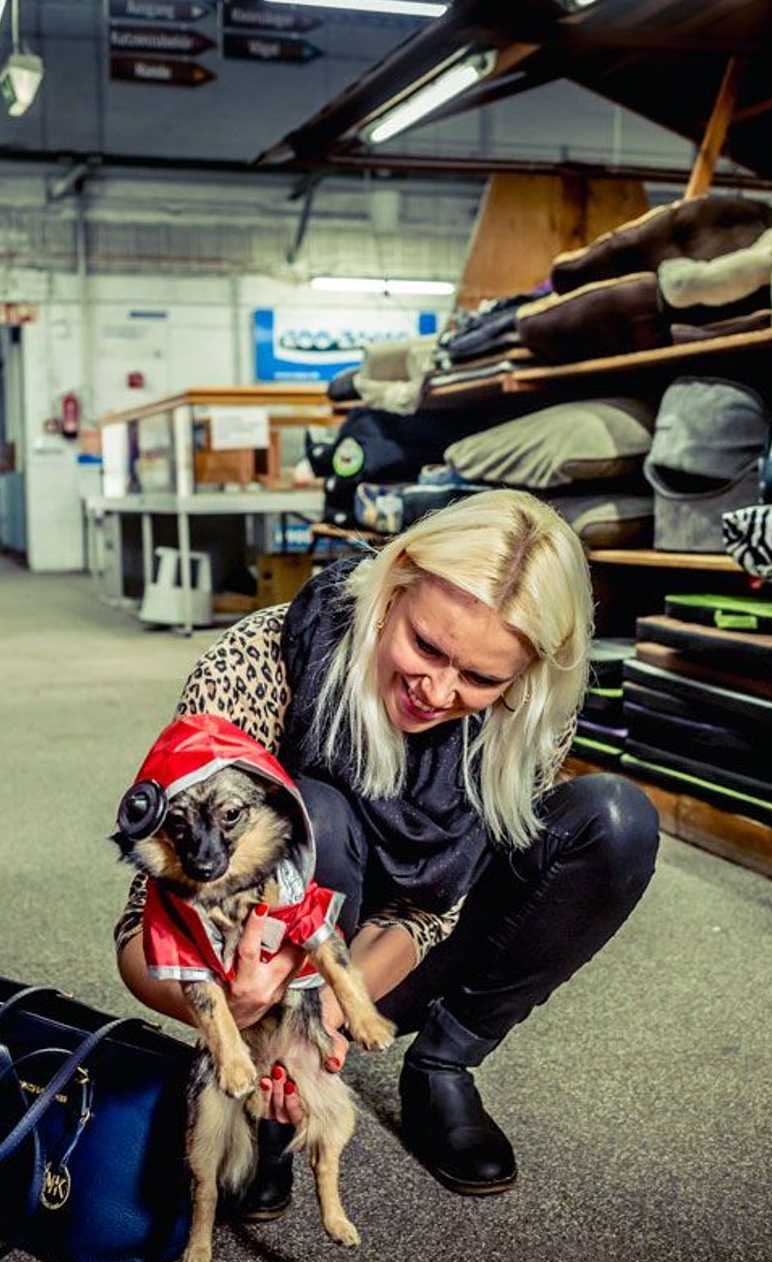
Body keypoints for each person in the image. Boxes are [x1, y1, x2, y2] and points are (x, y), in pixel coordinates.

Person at [115, 488, 659, 1212]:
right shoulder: (257, 657)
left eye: (481, 677)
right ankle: (264, 1103)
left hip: (389, 953)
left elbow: (436, 912)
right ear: (394, 585)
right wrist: (244, 1011)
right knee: (316, 813)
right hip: (265, 966)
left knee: (616, 821)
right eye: (426, 646)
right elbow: (138, 932)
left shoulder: (525, 711)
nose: (437, 689)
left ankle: (443, 1064)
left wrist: (334, 1016)